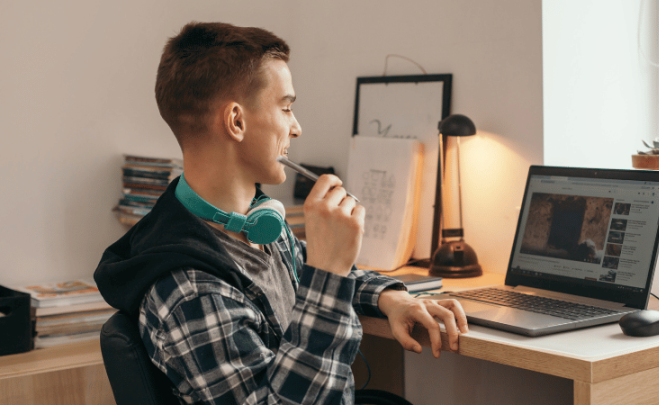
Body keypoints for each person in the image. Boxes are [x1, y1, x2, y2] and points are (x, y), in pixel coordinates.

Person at [94, 22, 468, 405]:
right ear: (236, 121)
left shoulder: (254, 223)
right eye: (286, 107)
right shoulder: (190, 291)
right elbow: (319, 285)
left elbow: (309, 273)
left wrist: (391, 297)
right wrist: (328, 273)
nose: (297, 127)